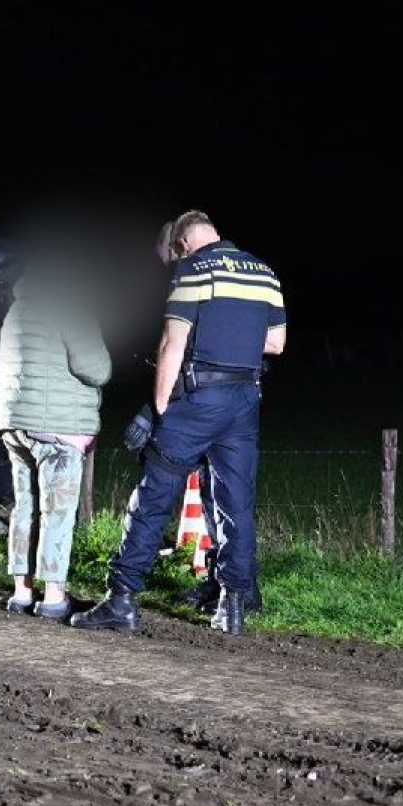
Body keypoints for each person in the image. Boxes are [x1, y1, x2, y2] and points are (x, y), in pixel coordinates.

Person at [72, 211, 286, 636]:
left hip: (197, 400)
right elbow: (275, 343)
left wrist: (158, 411)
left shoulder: (193, 269)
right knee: (235, 504)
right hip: (245, 400)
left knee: (153, 496)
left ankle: (121, 599)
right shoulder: (265, 272)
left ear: (184, 242)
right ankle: (232, 605)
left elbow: (173, 344)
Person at [0, 256, 111, 620]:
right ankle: (54, 597)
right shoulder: (71, 307)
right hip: (56, 428)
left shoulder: (16, 310)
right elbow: (96, 368)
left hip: (14, 423)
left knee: (25, 506)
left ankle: (22, 592)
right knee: (57, 510)